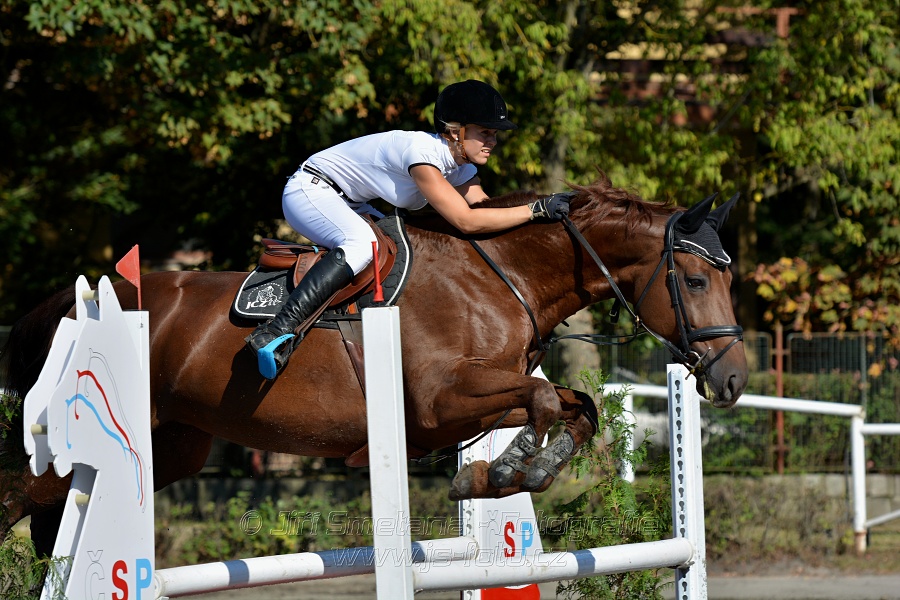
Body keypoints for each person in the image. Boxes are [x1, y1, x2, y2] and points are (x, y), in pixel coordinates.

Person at [246, 79, 572, 379]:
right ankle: (275, 331)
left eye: (494, 134)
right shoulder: (421, 153)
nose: (493, 141)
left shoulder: (459, 166)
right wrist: (535, 210)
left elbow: (487, 212)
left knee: (405, 250)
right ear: (455, 132)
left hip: (350, 202)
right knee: (362, 245)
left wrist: (542, 227)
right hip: (311, 190)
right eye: (485, 132)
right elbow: (466, 221)